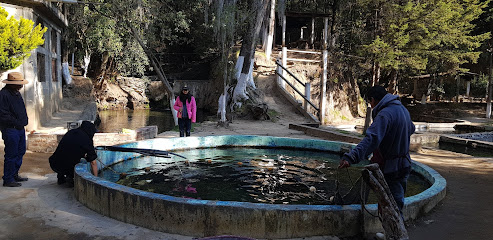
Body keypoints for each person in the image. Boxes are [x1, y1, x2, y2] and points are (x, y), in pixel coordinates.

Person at [339, 85, 415, 215]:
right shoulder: (403, 110)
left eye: (370, 102)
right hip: (405, 164)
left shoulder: (384, 115)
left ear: (373, 100)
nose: (371, 105)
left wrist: (351, 157)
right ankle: (390, 233)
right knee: (396, 202)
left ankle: (396, 235)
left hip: (391, 167)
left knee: (390, 208)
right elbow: (411, 129)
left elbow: (371, 140)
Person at [0, 72, 29, 187]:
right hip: (10, 129)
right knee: (11, 154)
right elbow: (3, 115)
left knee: (20, 151)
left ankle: (14, 174)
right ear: (11, 84)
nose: (20, 86)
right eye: (18, 84)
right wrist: (17, 122)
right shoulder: (4, 95)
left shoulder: (16, 93)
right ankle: (8, 179)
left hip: (20, 129)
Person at [49, 121, 98, 186]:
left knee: (65, 156)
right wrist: (96, 179)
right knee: (79, 162)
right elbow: (93, 162)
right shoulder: (87, 140)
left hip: (54, 164)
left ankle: (61, 177)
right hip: (67, 167)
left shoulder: (71, 132)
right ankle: (70, 178)